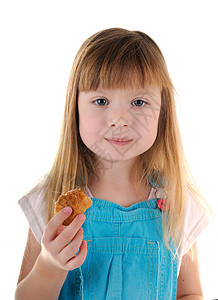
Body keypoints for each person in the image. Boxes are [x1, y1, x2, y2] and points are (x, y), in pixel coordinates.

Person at [15, 28, 211, 300]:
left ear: (162, 112)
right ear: (76, 108)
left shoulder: (177, 201)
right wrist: (50, 265)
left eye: (139, 102)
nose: (119, 119)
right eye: (101, 101)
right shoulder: (51, 200)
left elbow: (190, 293)